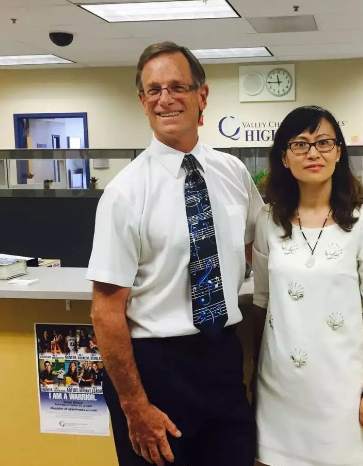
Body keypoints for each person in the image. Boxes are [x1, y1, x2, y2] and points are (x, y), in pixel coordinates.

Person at [87, 41, 263, 466]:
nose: (165, 99)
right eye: (153, 90)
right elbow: (106, 312)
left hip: (221, 357)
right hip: (153, 368)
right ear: (142, 102)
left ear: (202, 95)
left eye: (177, 87)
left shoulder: (233, 172)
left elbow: (256, 247)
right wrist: (134, 405)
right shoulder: (124, 193)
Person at [252, 105, 363, 466]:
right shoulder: (268, 220)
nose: (313, 153)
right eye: (300, 144)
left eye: (324, 142)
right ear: (284, 158)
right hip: (279, 389)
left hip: (340, 392)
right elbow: (263, 301)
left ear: (338, 152)